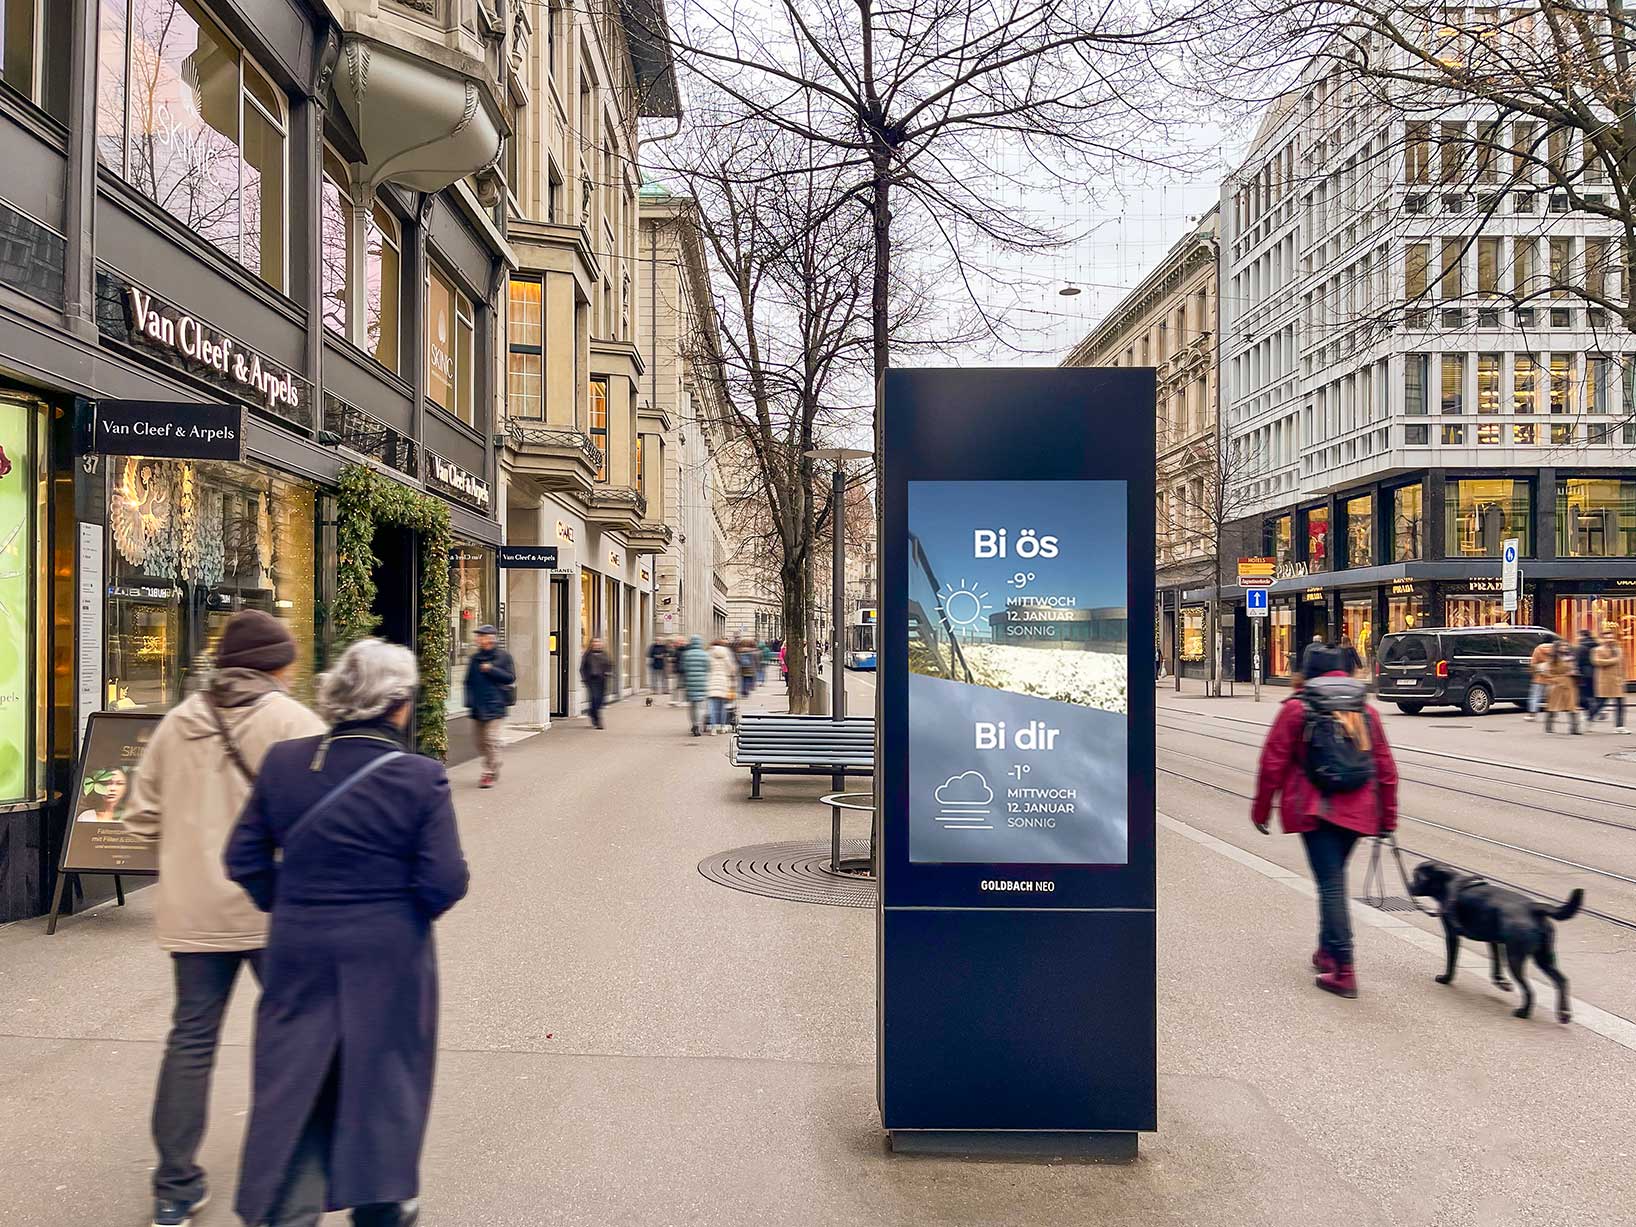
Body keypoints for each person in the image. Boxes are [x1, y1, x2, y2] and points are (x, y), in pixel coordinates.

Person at [224, 638, 468, 1227]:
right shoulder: (419, 778)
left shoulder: (286, 762)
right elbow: (445, 880)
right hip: (389, 951)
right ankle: (383, 1200)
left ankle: (288, 1203)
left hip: (300, 942)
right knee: (384, 1077)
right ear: (399, 705)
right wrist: (394, 913)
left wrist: (294, 903)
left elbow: (244, 857)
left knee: (295, 1073)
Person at [122, 609, 326, 1227]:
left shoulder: (179, 721)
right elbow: (324, 818)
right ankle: (292, 1169)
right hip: (272, 910)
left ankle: (174, 1189)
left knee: (190, 1042)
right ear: (276, 664)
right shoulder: (294, 723)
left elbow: (138, 819)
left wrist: (188, 846)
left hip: (192, 911)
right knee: (299, 1038)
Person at [1249, 645, 1399, 1000]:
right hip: (1359, 811)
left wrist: (1261, 810)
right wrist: (1387, 818)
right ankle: (1326, 950)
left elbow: (1273, 763)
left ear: (1306, 672)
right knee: (1332, 878)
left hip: (1315, 810)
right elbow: (1387, 769)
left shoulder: (1297, 709)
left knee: (1330, 884)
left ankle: (1344, 969)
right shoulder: (1365, 711)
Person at [463, 624, 515, 789]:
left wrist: (491, 670)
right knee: (479, 742)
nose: (479, 639)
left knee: (491, 740)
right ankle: (494, 762)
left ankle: (489, 772)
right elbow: (468, 682)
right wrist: (469, 702)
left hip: (496, 705)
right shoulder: (474, 659)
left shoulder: (503, 657)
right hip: (478, 706)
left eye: (482, 636)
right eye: (478, 636)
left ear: (491, 638)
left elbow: (510, 678)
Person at [1593, 624, 1628, 734]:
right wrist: (1613, 660)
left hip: (1617, 680)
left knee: (1620, 704)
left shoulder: (1618, 649)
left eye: (1611, 637)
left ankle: (1619, 726)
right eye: (1607, 637)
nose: (1609, 639)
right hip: (1605, 680)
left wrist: (1623, 677)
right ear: (1603, 638)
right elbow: (1597, 662)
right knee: (1601, 703)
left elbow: (1621, 665)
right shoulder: (1598, 650)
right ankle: (1589, 717)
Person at [1544, 639, 1581, 734]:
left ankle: (1574, 729)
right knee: (1553, 706)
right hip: (1557, 684)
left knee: (1572, 706)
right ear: (1557, 647)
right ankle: (1549, 726)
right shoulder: (1553, 658)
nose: (1564, 647)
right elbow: (1549, 672)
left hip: (1569, 684)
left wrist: (1574, 672)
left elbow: (1575, 668)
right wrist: (1557, 679)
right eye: (1562, 646)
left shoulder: (1570, 657)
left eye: (1566, 645)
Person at [678, 635, 710, 735]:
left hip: (690, 683)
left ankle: (694, 724)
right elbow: (708, 668)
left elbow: (683, 668)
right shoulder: (705, 654)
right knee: (700, 706)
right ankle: (698, 724)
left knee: (691, 706)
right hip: (701, 683)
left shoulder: (687, 654)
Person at [580, 637, 613, 729]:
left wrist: (608, 672)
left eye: (598, 642)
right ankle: (598, 720)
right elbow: (582, 668)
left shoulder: (604, 654)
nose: (597, 644)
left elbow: (609, 665)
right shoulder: (587, 655)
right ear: (592, 644)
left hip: (602, 680)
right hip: (591, 680)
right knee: (595, 698)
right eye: (595, 642)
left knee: (601, 700)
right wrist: (585, 678)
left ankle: (592, 712)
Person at [707, 637, 737, 734]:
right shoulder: (727, 654)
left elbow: (706, 668)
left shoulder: (709, 654)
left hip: (711, 682)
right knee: (723, 707)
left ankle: (713, 728)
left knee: (712, 707)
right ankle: (723, 726)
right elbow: (732, 669)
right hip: (724, 682)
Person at [1526, 634, 1556, 722]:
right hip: (1552, 676)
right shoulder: (1556, 649)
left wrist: (1533, 671)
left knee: (1535, 696)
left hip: (1539, 677)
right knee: (1551, 697)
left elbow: (1533, 663)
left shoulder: (1538, 649)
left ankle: (1532, 715)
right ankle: (1552, 715)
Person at [1576, 628, 1599, 719]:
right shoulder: (1596, 645)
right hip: (1595, 672)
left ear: (1582, 636)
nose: (1577, 637)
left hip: (1584, 672)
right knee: (1592, 693)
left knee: (1583, 694)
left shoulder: (1581, 647)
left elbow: (1578, 661)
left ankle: (1591, 711)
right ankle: (1596, 709)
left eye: (1579, 635)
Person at [646, 638, 669, 706]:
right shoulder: (652, 646)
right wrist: (655, 656)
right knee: (654, 679)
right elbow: (649, 654)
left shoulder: (664, 646)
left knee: (663, 679)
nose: (659, 641)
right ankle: (654, 690)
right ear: (656, 641)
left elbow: (667, 653)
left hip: (662, 665)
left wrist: (663, 655)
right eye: (658, 640)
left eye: (660, 640)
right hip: (654, 664)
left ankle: (665, 690)